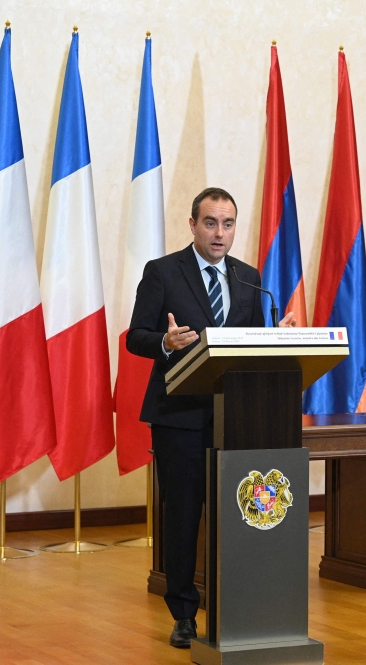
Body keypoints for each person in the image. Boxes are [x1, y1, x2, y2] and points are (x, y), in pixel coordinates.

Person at [126, 187, 295, 648]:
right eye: (210, 223)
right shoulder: (162, 272)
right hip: (179, 417)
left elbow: (251, 345)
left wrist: (276, 337)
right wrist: (166, 343)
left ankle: (237, 604)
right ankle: (183, 613)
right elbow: (135, 336)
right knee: (183, 517)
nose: (220, 233)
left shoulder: (249, 278)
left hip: (236, 419)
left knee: (238, 514)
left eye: (228, 224)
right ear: (193, 224)